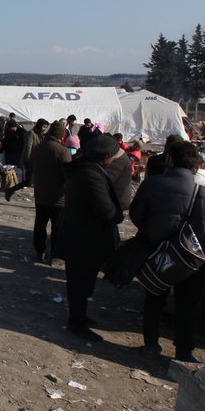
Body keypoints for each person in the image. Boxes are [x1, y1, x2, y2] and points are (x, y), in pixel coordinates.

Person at [129, 141, 205, 361]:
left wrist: (152, 231)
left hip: (156, 252)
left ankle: (151, 344)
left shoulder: (152, 185)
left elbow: (136, 215)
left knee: (154, 299)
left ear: (171, 160)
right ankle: (184, 350)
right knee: (187, 306)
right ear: (197, 164)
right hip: (192, 260)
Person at [56, 134, 124, 342]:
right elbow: (106, 209)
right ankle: (76, 322)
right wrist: (117, 214)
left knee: (82, 282)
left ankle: (79, 317)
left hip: (82, 235)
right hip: (84, 238)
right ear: (105, 157)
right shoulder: (89, 174)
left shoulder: (85, 169)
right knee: (80, 282)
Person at [30, 121, 72, 263]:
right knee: (57, 227)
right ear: (61, 135)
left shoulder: (37, 148)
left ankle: (39, 251)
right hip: (58, 197)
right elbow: (68, 176)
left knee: (40, 225)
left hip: (41, 194)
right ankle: (54, 254)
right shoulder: (63, 152)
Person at [4, 118, 48, 201]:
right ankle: (10, 190)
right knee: (29, 182)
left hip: (38, 161)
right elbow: (27, 149)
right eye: (43, 127)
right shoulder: (31, 134)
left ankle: (10, 191)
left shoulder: (41, 135)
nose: (44, 129)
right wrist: (27, 162)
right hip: (31, 162)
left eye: (46, 127)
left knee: (33, 182)